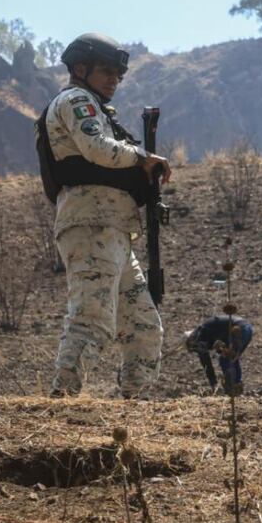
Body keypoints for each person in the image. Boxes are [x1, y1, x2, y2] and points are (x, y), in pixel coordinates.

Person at [45, 33, 171, 398]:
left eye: (118, 74)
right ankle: (62, 404)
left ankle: (134, 407)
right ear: (80, 69)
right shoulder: (76, 100)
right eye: (106, 71)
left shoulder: (96, 107)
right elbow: (96, 149)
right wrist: (142, 157)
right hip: (90, 226)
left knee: (144, 327)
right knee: (92, 320)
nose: (114, 79)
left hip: (112, 229)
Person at [185, 315, 254, 394]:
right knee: (232, 357)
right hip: (247, 328)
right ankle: (236, 385)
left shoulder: (199, 336)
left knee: (226, 359)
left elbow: (206, 362)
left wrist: (213, 382)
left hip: (239, 329)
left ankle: (232, 388)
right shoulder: (205, 331)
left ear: (190, 340)